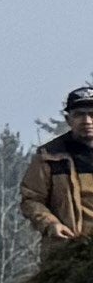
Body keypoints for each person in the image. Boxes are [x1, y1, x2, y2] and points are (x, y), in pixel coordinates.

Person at [36, 86, 93, 250]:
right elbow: (32, 199)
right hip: (67, 251)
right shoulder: (49, 155)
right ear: (68, 120)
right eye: (79, 115)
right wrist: (50, 223)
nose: (87, 121)